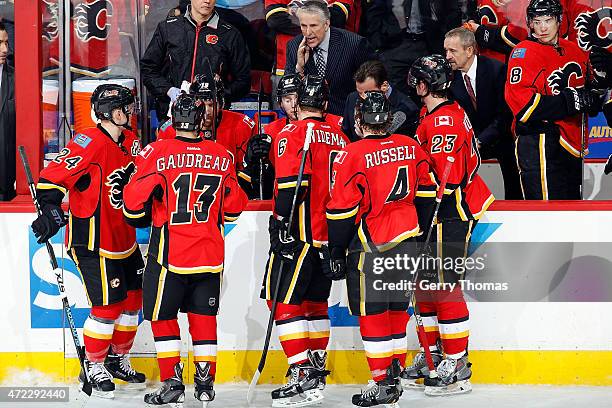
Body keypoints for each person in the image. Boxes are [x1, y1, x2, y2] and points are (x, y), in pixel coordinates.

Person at [123, 93, 248, 406]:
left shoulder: (157, 151)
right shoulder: (222, 155)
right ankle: (205, 384)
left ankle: (173, 382)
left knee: (162, 317)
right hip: (209, 255)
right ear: (201, 120)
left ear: (172, 118)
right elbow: (233, 209)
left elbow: (132, 203)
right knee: (203, 318)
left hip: (170, 257)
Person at [31, 84, 146, 398]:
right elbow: (51, 179)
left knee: (134, 302)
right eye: (124, 107)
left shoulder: (132, 142)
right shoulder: (88, 142)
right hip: (93, 240)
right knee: (107, 307)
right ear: (109, 112)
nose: (130, 112)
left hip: (125, 238)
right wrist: (51, 209)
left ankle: (117, 358)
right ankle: (93, 364)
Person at [325, 91, 436, 407]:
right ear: (388, 118)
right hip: (409, 239)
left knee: (372, 315)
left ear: (360, 120)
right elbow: (427, 193)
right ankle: (394, 375)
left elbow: (341, 210)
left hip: (372, 246)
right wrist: (423, 238)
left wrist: (335, 251)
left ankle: (382, 382)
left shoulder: (352, 153)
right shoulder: (410, 146)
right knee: (397, 311)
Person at [402, 54, 494, 396]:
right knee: (426, 285)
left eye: (416, 80)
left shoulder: (442, 122)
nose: (412, 86)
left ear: (425, 84)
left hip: (449, 212)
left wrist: (419, 205)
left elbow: (447, 180)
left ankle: (456, 361)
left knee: (444, 285)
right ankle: (436, 354)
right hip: (436, 212)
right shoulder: (438, 112)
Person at [261, 75, 350, 407]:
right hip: (328, 237)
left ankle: (300, 372)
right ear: (325, 104)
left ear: (298, 104)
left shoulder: (293, 132)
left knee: (281, 302)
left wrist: (278, 222)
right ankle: (315, 367)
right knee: (314, 305)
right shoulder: (340, 137)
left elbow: (289, 186)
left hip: (298, 234)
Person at [505, 0, 600, 200]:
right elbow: (523, 107)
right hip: (539, 141)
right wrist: (568, 101)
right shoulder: (523, 52)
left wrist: (594, 94)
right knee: (544, 211)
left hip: (572, 142)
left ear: (559, 20)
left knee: (571, 212)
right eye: (537, 21)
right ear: (529, 23)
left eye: (548, 20)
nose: (543, 27)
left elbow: (590, 96)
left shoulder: (575, 50)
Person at [141, 0, 251, 122]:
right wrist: (169, 90)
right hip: (172, 116)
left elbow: (243, 80)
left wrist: (218, 96)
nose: (207, 1)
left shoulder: (230, 34)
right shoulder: (168, 28)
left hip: (212, 120)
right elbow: (148, 69)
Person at [444, 27, 522, 199]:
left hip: (500, 137)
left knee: (510, 151)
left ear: (469, 50)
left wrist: (481, 140)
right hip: (470, 141)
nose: (448, 56)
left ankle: (515, 204)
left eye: (452, 51)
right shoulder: (449, 79)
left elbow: (505, 114)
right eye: (446, 51)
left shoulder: (497, 70)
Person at [156, 74, 256, 196]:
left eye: (211, 104)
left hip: (228, 198)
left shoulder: (242, 125)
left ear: (221, 103)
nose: (207, 112)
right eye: (202, 105)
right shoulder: (170, 129)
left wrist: (253, 161)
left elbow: (249, 179)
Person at [284, 0, 377, 115]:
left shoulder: (354, 44)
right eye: (303, 26)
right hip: (309, 121)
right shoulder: (294, 45)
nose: (308, 32)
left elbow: (375, 83)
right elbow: (288, 92)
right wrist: (299, 67)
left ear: (326, 24)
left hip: (346, 120)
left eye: (313, 26)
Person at [365, 0, 461, 96]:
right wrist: (378, 41)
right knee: (393, 95)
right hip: (394, 47)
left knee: (431, 92)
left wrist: (445, 40)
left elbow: (452, 11)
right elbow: (374, 13)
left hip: (428, 45)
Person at [265, 0, 353, 77]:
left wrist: (296, 13)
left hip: (332, 65)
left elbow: (337, 18)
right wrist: (319, 21)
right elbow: (275, 19)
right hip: (287, 66)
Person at [342, 60, 418, 141]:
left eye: (367, 93)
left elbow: (399, 146)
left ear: (384, 86)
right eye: (359, 92)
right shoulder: (352, 98)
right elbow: (345, 136)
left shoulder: (406, 109)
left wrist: (366, 138)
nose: (362, 98)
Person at [0, 21, 15, 201]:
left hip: (6, 187)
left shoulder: (16, 79)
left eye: (6, 43)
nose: (5, 49)